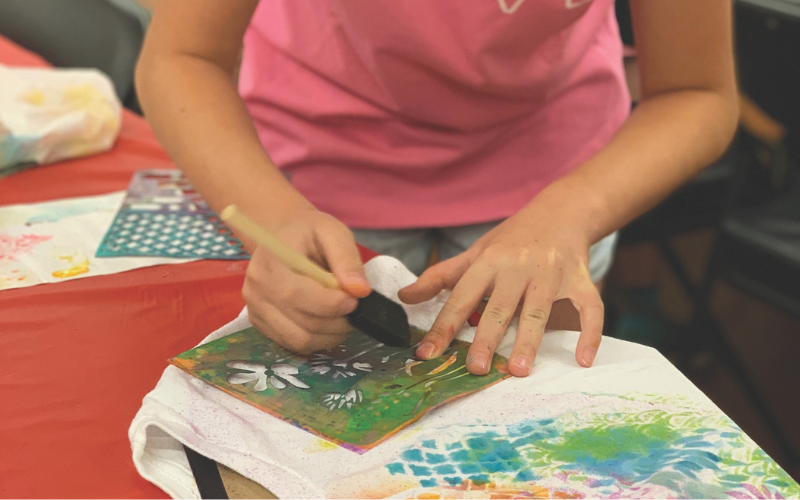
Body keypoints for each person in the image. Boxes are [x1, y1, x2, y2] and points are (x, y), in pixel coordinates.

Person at [136, 0, 737, 378]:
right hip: (321, 142)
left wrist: (571, 212)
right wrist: (271, 217)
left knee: (530, 396)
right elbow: (183, 57)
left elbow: (698, 92)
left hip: (556, 164)